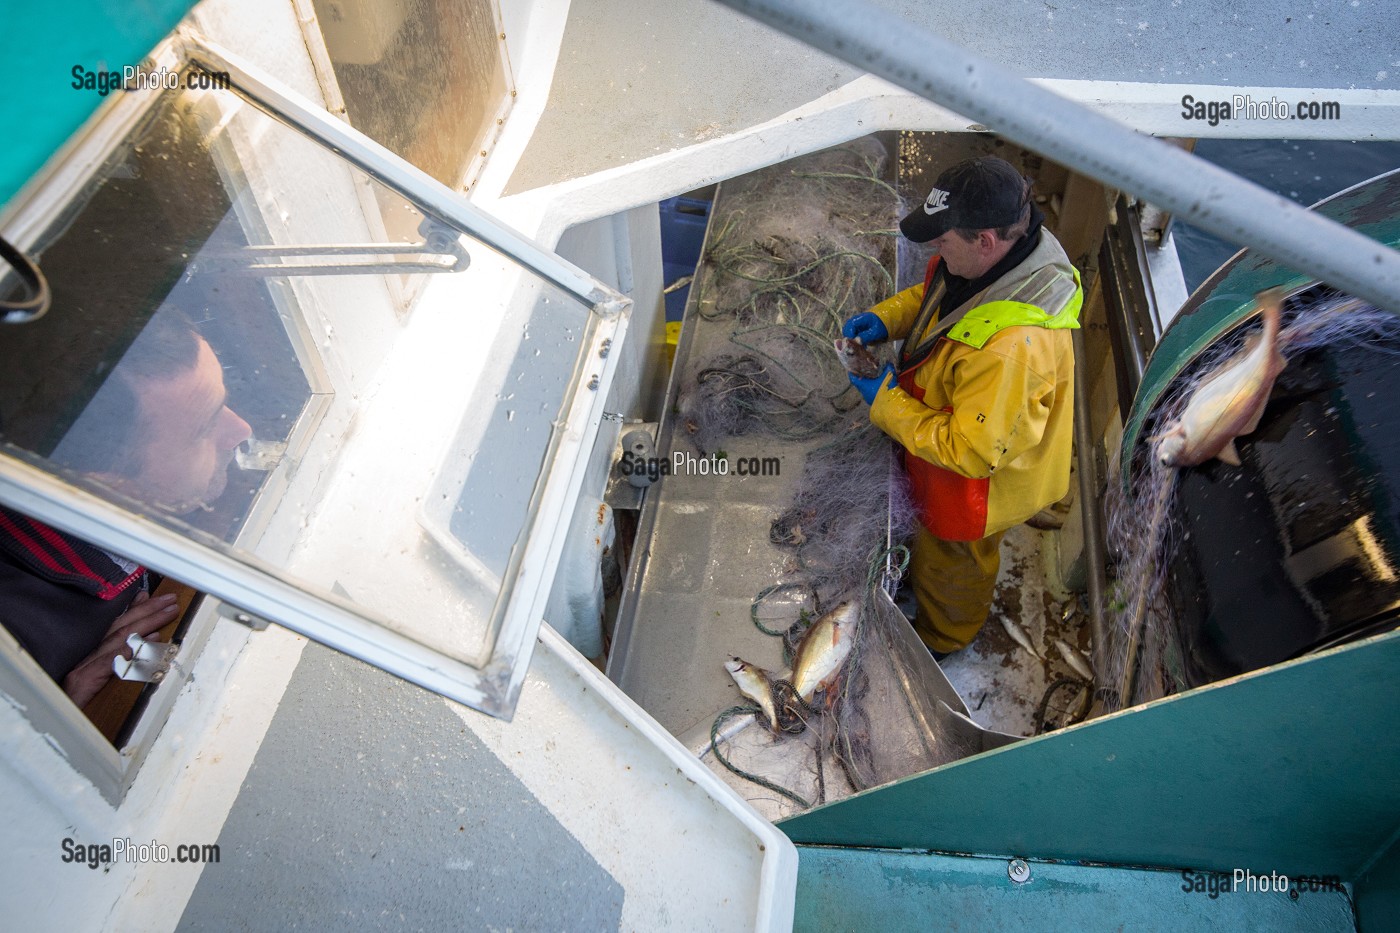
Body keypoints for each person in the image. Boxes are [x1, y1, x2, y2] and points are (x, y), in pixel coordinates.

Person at [844, 156, 1082, 658]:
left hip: (976, 489)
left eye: (943, 239)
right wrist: (888, 319)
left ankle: (946, 638)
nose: (935, 247)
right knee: (930, 547)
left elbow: (969, 452)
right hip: (957, 437)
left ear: (985, 240)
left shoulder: (1011, 350)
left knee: (952, 563)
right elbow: (936, 296)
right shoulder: (995, 260)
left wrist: (884, 402)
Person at [0, 311, 251, 706]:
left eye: (225, 399)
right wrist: (57, 716)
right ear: (109, 485)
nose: (242, 430)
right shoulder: (21, 647)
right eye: (205, 429)